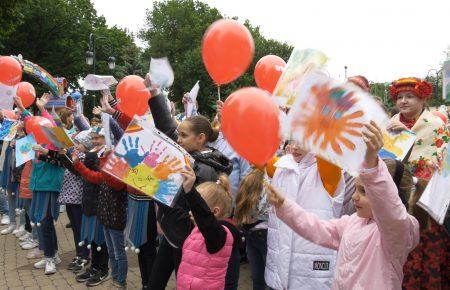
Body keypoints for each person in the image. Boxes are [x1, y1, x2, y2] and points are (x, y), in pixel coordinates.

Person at [103, 76, 233, 289]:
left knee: (182, 280)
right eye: (178, 135)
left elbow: (201, 214)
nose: (178, 139)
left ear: (200, 138)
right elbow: (166, 125)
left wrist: (162, 201)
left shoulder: (206, 170)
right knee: (155, 282)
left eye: (183, 135)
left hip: (186, 239)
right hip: (170, 232)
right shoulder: (184, 152)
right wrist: (154, 93)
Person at [266, 121, 420, 289]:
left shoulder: (398, 231)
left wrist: (371, 162)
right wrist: (284, 205)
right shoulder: (352, 222)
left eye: (364, 191)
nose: (354, 197)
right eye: (356, 189)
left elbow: (389, 207)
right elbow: (315, 227)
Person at [387, 77, 450, 289]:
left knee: (425, 250)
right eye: (400, 97)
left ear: (422, 99)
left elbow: (444, 161)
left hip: (426, 201)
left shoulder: (435, 125)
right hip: (396, 196)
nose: (403, 101)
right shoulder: (391, 124)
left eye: (410, 96)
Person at [265, 140, 347, 290]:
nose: (295, 146)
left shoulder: (328, 170)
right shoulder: (281, 165)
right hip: (279, 273)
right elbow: (259, 156)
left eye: (303, 141)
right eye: (293, 139)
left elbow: (327, 146)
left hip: (311, 276)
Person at [73, 148, 128, 289]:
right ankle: (115, 277)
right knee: (111, 251)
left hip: (116, 220)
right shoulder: (105, 176)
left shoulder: (118, 178)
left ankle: (120, 281)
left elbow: (109, 179)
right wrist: (77, 163)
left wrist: (105, 158)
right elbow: (91, 175)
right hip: (105, 218)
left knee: (119, 252)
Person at [177, 167, 240, 290]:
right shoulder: (196, 230)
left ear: (215, 212)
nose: (190, 212)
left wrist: (190, 192)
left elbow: (204, 217)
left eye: (195, 208)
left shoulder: (220, 236)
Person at [235, 168, 270, 290]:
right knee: (269, 277)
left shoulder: (250, 176)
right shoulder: (269, 179)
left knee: (257, 277)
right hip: (264, 232)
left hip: (250, 232)